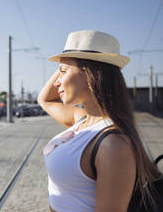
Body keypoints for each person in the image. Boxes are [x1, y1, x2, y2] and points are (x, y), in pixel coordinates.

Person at [38, 30, 161, 212]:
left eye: (63, 72)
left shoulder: (113, 145)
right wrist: (63, 64)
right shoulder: (83, 120)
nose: (57, 81)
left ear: (89, 74)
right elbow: (45, 100)